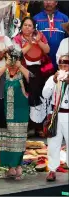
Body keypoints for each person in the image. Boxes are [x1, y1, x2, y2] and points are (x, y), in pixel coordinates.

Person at [0, 52, 30, 181]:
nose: (12, 61)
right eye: (9, 59)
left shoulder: (22, 73)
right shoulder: (3, 72)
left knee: (19, 140)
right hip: (4, 111)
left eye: (14, 59)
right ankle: (10, 168)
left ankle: (18, 165)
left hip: (20, 112)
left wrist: (20, 66)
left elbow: (32, 79)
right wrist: (6, 66)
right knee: (6, 140)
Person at [13, 17, 50, 137]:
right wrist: (29, 44)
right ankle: (28, 126)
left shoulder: (40, 35)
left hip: (40, 70)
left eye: (30, 25)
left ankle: (39, 126)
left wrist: (38, 42)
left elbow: (47, 50)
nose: (27, 27)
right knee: (26, 96)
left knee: (40, 96)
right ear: (21, 26)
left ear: (33, 27)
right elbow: (18, 54)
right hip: (23, 69)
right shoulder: (17, 38)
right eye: (25, 25)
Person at [42, 54, 69, 182]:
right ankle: (52, 170)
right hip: (56, 115)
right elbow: (45, 94)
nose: (63, 68)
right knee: (53, 144)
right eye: (61, 66)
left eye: (66, 66)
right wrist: (53, 80)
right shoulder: (52, 78)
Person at [34, 0, 69, 70]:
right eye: (45, 0)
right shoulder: (36, 19)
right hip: (41, 63)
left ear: (56, 2)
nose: (48, 2)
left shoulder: (64, 18)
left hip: (61, 64)